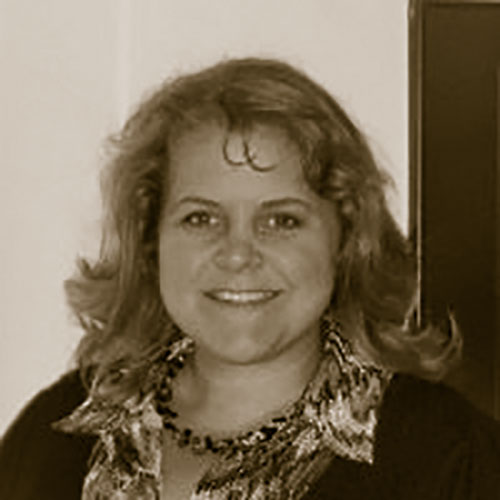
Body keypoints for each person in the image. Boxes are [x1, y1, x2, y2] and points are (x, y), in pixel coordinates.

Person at [1, 57, 499, 500]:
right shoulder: (55, 433)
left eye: (281, 220)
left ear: (346, 241)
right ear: (151, 242)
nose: (238, 255)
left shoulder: (447, 455)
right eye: (201, 218)